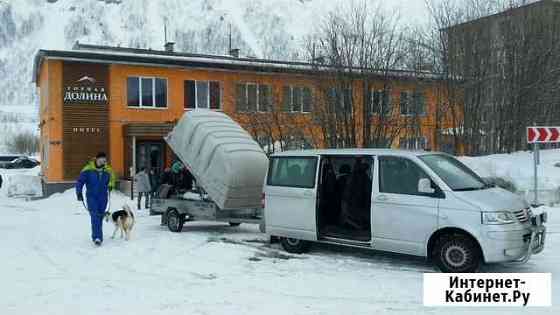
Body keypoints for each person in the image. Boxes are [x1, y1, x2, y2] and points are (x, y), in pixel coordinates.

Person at [76, 152, 116, 246]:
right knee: (94, 216)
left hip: (103, 197)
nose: (104, 162)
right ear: (97, 159)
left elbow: (112, 179)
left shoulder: (108, 170)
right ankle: (97, 237)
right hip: (91, 197)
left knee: (100, 216)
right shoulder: (88, 169)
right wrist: (78, 192)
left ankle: (97, 234)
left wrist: (111, 185)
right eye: (102, 160)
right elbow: (80, 181)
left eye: (105, 160)